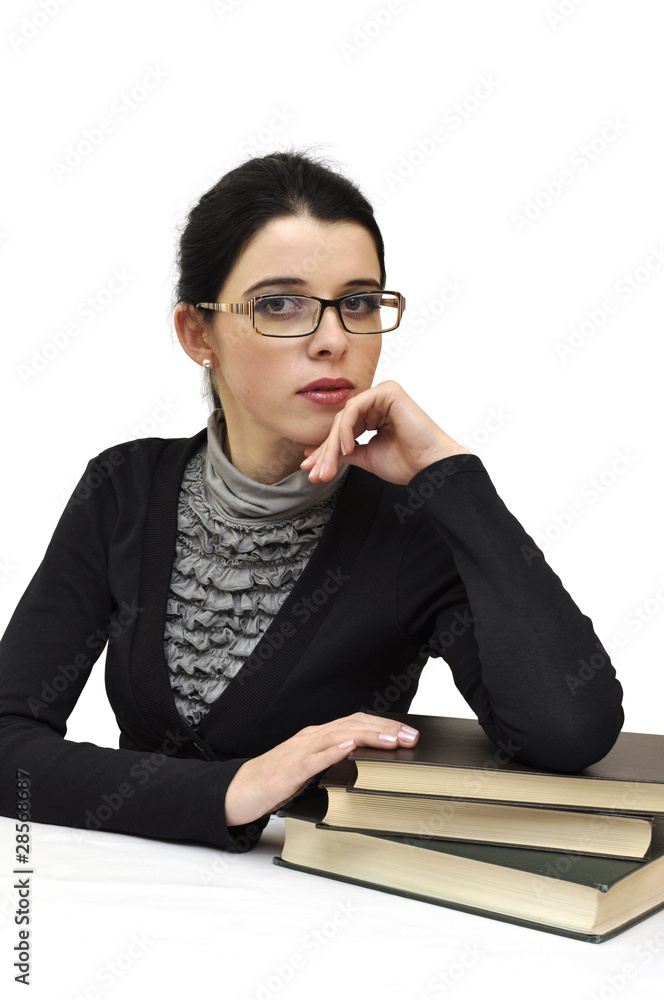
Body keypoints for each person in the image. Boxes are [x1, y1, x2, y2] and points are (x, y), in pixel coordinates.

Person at [0, 149, 624, 853]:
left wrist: (447, 473)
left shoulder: (413, 523)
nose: (333, 339)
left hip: (328, 912)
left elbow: (569, 731)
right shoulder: (124, 489)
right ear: (197, 334)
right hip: (123, 891)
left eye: (358, 302)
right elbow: (7, 744)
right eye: (281, 304)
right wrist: (229, 792)